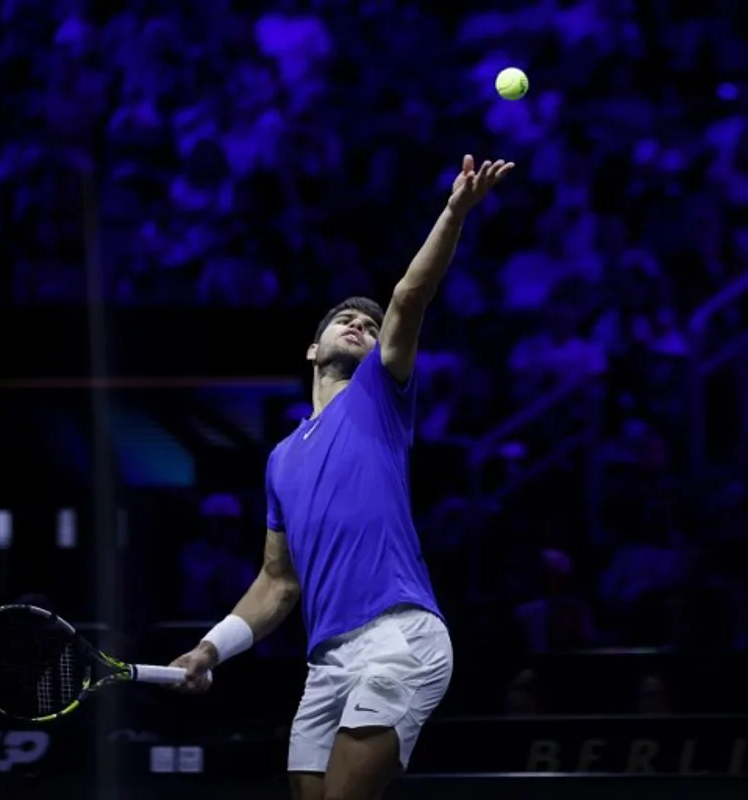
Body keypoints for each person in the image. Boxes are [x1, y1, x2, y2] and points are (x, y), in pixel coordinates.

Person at [167, 155, 515, 800]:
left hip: (399, 638)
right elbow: (278, 582)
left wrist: (455, 210)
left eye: (369, 324)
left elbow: (409, 297)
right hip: (326, 662)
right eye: (344, 319)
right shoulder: (280, 457)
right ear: (312, 347)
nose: (359, 322)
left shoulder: (379, 396)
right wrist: (209, 650)